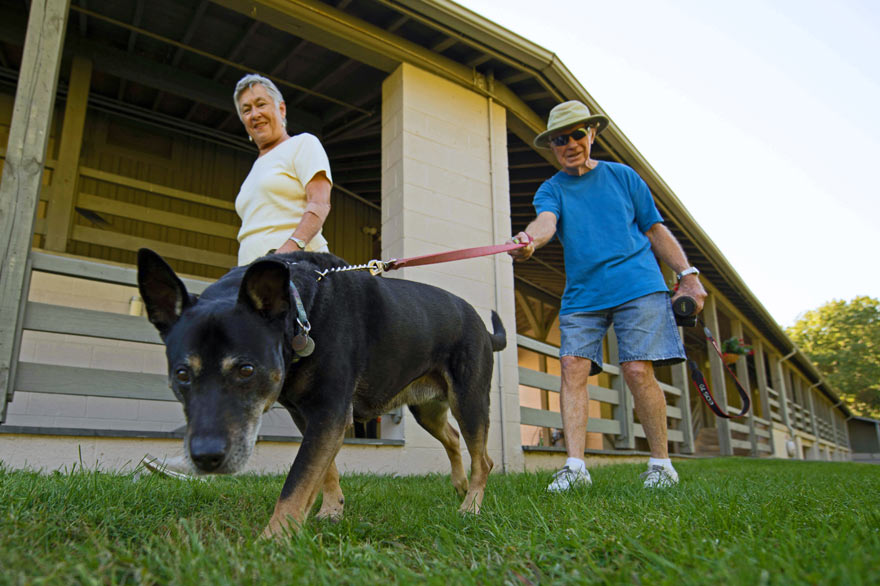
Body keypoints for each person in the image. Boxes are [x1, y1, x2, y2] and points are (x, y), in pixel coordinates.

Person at [509, 100, 707, 490]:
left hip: (638, 284)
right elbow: (546, 222)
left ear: (592, 134)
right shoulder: (552, 189)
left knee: (636, 369)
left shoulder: (623, 176)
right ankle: (575, 467)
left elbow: (655, 229)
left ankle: (661, 465)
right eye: (560, 139)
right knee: (571, 368)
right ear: (552, 146)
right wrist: (529, 240)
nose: (570, 144)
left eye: (577, 134)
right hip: (583, 294)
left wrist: (688, 275)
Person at [233, 73, 333, 266]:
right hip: (252, 274)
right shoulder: (254, 170)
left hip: (297, 268)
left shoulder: (303, 143)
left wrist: (289, 250)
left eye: (261, 104)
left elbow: (320, 203)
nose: (255, 114)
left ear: (281, 109)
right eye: (246, 110)